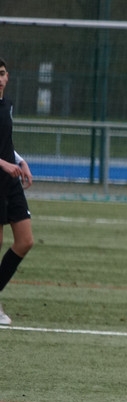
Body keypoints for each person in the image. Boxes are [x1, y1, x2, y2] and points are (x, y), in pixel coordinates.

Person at [0, 58, 35, 327]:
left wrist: (20, 161)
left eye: (2, 73)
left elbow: (5, 143)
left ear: (8, 76)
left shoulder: (7, 105)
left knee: (25, 240)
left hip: (10, 181)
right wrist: (3, 164)